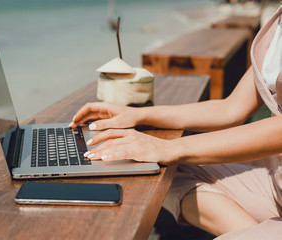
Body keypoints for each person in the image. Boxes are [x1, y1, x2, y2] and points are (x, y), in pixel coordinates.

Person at [70, 6, 282, 240]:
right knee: (164, 173)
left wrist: (169, 148)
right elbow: (231, 108)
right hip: (275, 189)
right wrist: (139, 115)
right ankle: (253, 232)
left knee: (168, 162)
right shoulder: (276, 27)